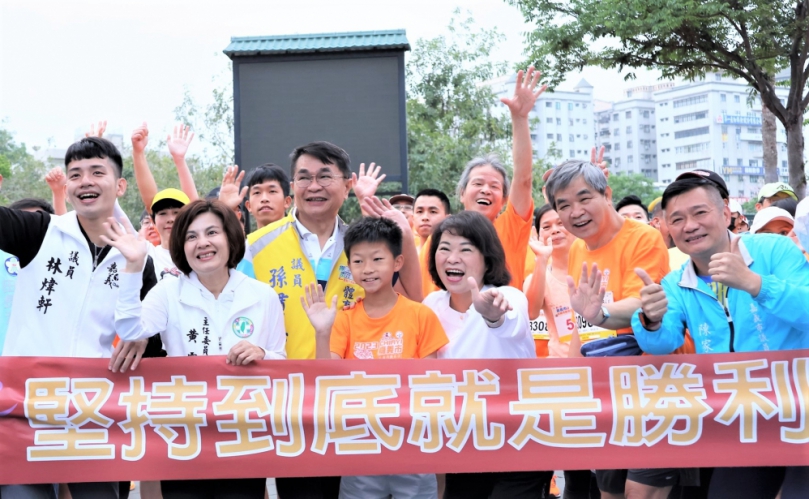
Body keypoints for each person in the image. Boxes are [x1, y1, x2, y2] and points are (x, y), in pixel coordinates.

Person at [239, 141, 419, 497]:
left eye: (325, 176)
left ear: (348, 184)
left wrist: (407, 236)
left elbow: (412, 303)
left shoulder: (367, 249)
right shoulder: (255, 246)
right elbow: (238, 319)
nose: (314, 186)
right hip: (289, 407)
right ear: (293, 187)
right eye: (303, 178)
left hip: (361, 409)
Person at [0, 136, 161, 499]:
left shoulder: (139, 257)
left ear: (120, 185)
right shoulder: (39, 231)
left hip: (93, 412)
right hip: (27, 408)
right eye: (75, 174)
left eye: (96, 172)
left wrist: (143, 330)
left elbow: (152, 340)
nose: (84, 181)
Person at [631, 176, 809, 499]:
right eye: (677, 219)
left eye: (700, 213)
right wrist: (650, 321)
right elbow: (661, 342)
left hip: (802, 409)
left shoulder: (774, 249)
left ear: (726, 213)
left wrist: (756, 284)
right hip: (745, 419)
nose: (690, 226)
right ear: (667, 229)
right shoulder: (675, 282)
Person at [109, 199, 285, 498]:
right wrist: (133, 267)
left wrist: (262, 355)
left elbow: (280, 359)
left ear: (231, 238)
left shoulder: (263, 295)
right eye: (191, 236)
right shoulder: (167, 291)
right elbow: (130, 329)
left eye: (212, 233)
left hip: (242, 435)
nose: (202, 243)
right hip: (184, 436)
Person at [544, 160, 689, 499]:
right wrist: (570, 380)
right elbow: (583, 321)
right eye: (563, 205)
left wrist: (602, 313)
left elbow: (643, 304)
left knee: (641, 492)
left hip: (653, 387)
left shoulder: (644, 237)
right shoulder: (579, 247)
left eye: (584, 199)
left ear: (606, 194)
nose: (575, 212)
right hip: (606, 393)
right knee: (609, 492)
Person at [301, 216, 448, 499]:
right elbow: (327, 381)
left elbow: (431, 383)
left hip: (412, 445)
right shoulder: (343, 320)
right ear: (349, 266)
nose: (367, 269)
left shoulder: (421, 315)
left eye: (377, 259)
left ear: (398, 262)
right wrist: (322, 332)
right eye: (358, 261)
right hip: (360, 446)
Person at [422, 211, 550, 497]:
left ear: (487, 258)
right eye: (444, 249)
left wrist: (494, 317)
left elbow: (510, 321)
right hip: (462, 443)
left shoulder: (506, 296)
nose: (452, 258)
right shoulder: (430, 304)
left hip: (518, 440)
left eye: (465, 249)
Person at [414, 68, 545, 296]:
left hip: (501, 327)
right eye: (477, 184)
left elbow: (523, 179)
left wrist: (520, 119)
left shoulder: (510, 228)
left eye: (494, 186)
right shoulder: (439, 238)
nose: (486, 190)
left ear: (504, 199)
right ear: (462, 193)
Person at [148, 188, 189, 280]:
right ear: (153, 220)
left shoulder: (200, 253)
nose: (170, 219)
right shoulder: (149, 255)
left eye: (176, 213)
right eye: (163, 213)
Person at [244, 163, 291, 230]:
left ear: (287, 201)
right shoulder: (247, 240)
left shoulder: (301, 239)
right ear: (248, 206)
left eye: (272, 191)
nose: (264, 199)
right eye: (257, 192)